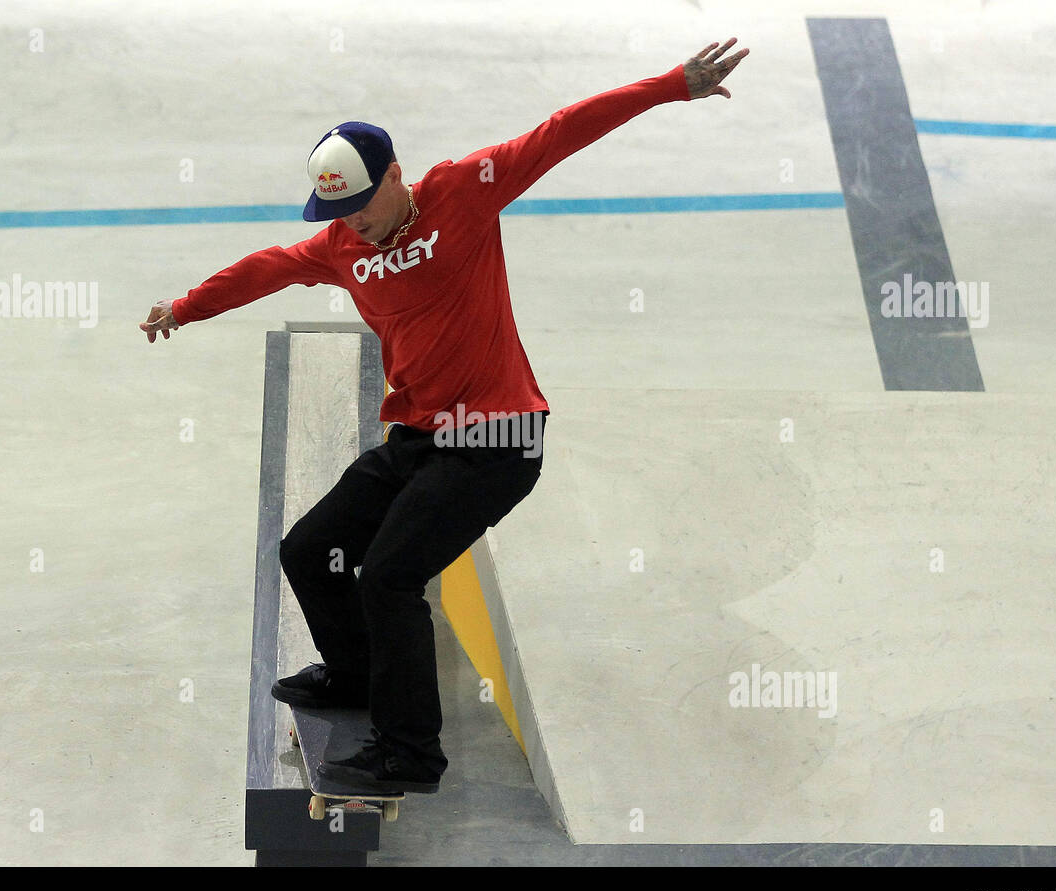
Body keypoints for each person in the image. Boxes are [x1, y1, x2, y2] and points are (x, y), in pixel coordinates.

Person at [140, 39, 749, 793]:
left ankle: (410, 756)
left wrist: (670, 86)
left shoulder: (466, 190)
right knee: (308, 550)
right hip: (419, 438)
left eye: (360, 206)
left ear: (395, 175)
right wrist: (185, 308)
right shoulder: (339, 247)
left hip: (497, 440)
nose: (352, 225)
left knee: (390, 579)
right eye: (336, 213)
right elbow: (267, 266)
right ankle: (358, 677)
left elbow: (559, 132)